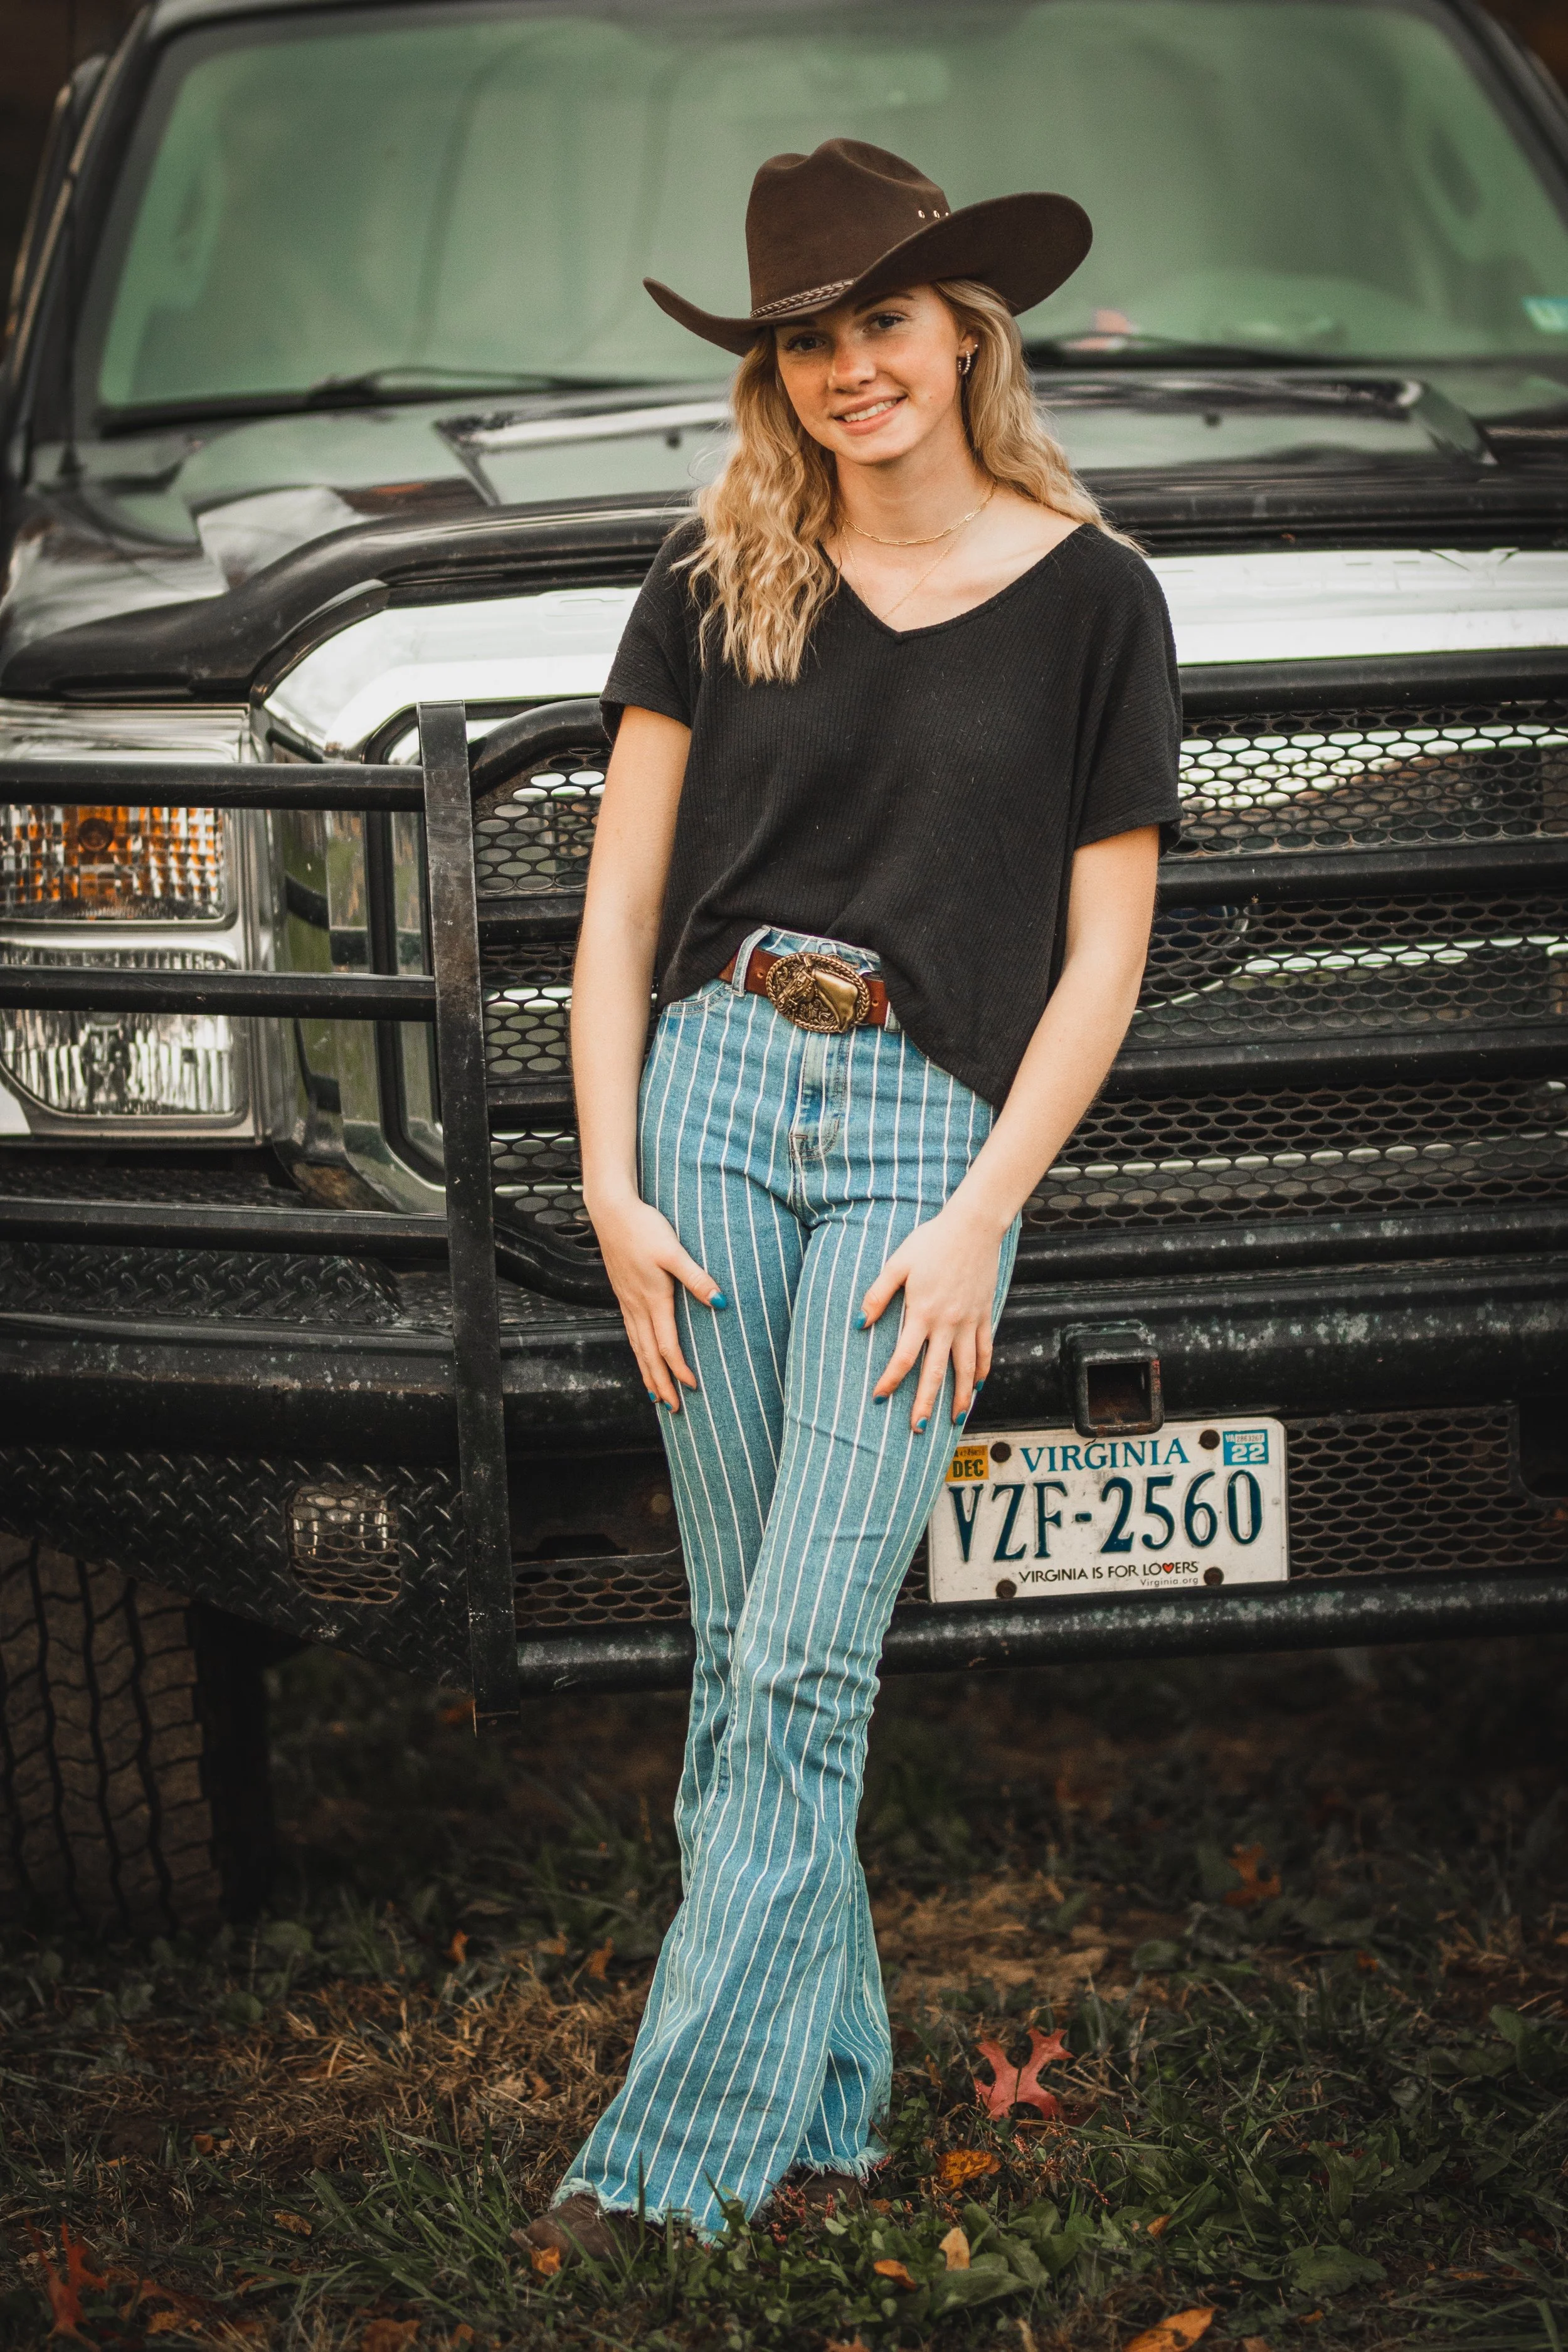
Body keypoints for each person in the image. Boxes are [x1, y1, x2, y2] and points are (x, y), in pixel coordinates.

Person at [523, 135, 1180, 2261]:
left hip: (921, 1142)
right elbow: (618, 911)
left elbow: (1101, 959)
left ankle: (669, 2158)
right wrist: (611, 1175)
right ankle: (828, 2098)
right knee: (742, 1651)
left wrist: (986, 1205)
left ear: (964, 331)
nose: (848, 366)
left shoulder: (1096, 599)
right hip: (707, 1108)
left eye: (883, 319)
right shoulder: (718, 575)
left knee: (804, 1652)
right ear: (774, 369)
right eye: (809, 337)